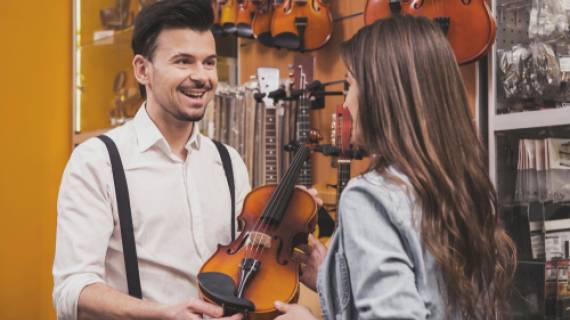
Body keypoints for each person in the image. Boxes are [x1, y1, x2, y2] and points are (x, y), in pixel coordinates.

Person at [274, 15, 517, 320]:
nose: (346, 105)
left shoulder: (369, 197)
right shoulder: (463, 186)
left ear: (383, 95)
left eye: (350, 85)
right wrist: (331, 277)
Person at [53, 1, 246, 319]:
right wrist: (160, 313)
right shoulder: (96, 161)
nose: (201, 77)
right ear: (143, 70)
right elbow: (72, 288)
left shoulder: (229, 163)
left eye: (209, 63)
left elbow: (244, 269)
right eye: (183, 62)